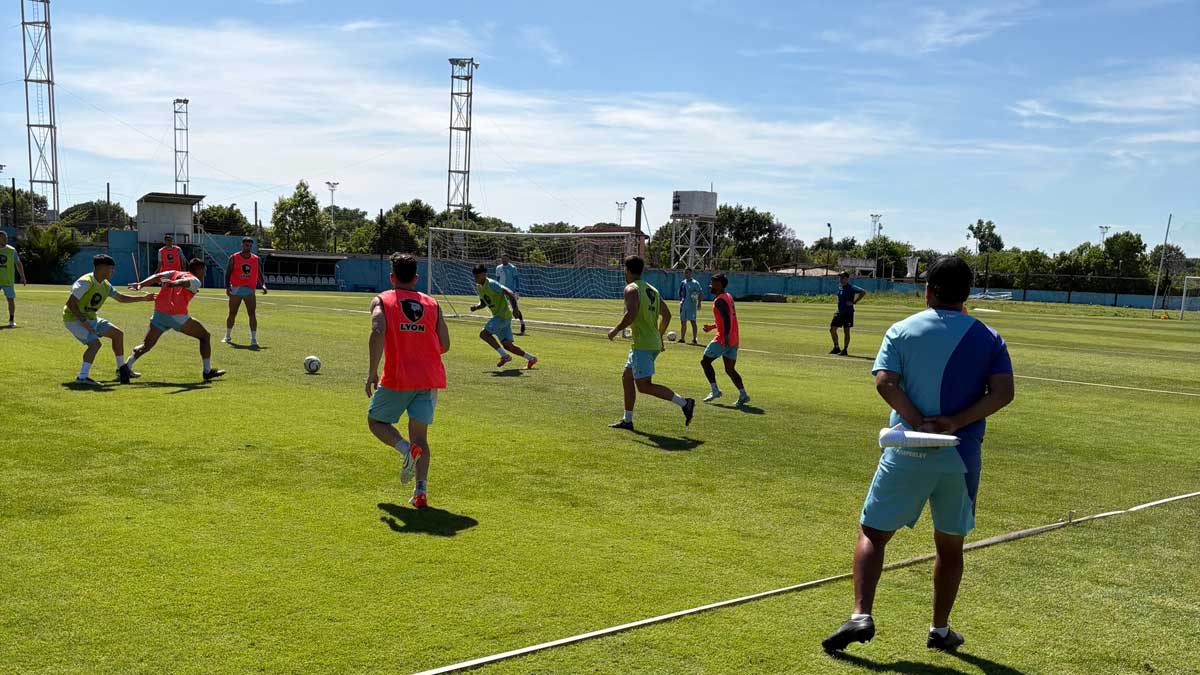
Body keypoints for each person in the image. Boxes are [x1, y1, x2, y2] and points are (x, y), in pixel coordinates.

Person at [821, 256, 1014, 654]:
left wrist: (915, 422)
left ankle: (861, 614)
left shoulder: (902, 330)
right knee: (950, 546)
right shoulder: (989, 337)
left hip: (906, 449)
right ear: (968, 295)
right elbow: (1003, 393)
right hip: (959, 457)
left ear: (927, 291)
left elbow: (884, 382)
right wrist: (955, 421)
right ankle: (940, 630)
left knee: (873, 533)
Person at [366, 253, 450, 509]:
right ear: (416, 277)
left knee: (376, 421)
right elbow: (445, 344)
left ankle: (404, 450)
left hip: (398, 377)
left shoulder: (383, 299)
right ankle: (420, 491)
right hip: (428, 378)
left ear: (392, 276)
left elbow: (378, 329)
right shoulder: (433, 304)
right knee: (421, 438)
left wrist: (372, 371)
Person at [607, 256, 695, 430]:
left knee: (644, 386)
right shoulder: (652, 290)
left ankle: (685, 403)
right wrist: (659, 336)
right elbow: (667, 315)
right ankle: (627, 420)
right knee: (627, 378)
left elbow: (631, 314)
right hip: (649, 343)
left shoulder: (631, 289)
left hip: (643, 345)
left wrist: (615, 329)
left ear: (627, 270)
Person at [61, 254, 156, 385]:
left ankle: (121, 369)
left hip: (91, 318)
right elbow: (71, 305)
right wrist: (85, 323)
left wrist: (143, 298)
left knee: (117, 334)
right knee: (95, 344)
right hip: (73, 319)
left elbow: (121, 298)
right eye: (111, 268)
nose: (113, 271)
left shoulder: (106, 285)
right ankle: (82, 377)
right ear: (102, 268)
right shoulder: (85, 282)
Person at [128, 258, 226, 382]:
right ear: (199, 269)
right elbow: (187, 282)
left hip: (159, 314)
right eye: (204, 271)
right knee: (205, 336)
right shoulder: (195, 280)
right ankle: (207, 371)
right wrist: (176, 284)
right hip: (177, 316)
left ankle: (126, 366)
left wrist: (141, 284)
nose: (205, 274)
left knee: (146, 345)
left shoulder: (174, 273)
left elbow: (157, 276)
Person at [470, 264, 537, 370]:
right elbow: (483, 302)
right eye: (474, 276)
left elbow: (510, 293)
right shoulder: (479, 287)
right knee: (507, 345)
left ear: (483, 275)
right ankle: (531, 358)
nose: (475, 279)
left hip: (502, 316)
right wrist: (476, 307)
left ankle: (504, 356)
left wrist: (515, 309)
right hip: (501, 317)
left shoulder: (492, 284)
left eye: (476, 276)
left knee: (484, 334)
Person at [700, 273, 749, 406]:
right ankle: (743, 394)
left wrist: (725, 335)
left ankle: (715, 390)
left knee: (705, 362)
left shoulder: (719, 300)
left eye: (713, 283)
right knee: (730, 369)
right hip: (734, 339)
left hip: (723, 338)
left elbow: (727, 319)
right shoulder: (728, 297)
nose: (710, 285)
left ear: (720, 285)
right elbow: (726, 318)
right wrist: (712, 326)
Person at [223, 236, 267, 348]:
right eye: (246, 245)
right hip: (236, 289)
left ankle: (253, 339)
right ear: (242, 245)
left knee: (252, 314)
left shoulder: (255, 259)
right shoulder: (234, 257)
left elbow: (259, 273)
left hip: (249, 290)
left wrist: (263, 285)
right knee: (232, 313)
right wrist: (227, 287)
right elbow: (228, 273)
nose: (248, 247)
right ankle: (227, 336)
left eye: (250, 245)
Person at [830, 272, 867, 356]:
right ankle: (836, 347)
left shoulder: (851, 287)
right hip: (839, 312)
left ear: (847, 278)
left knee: (846, 331)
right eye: (840, 277)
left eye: (842, 278)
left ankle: (845, 349)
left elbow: (863, 292)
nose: (841, 279)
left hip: (848, 313)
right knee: (832, 329)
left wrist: (854, 302)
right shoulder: (840, 288)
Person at [0, 230, 28, 328]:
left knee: (10, 300)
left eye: (6, 238)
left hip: (7, 280)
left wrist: (22, 276)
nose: (5, 239)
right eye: (3, 238)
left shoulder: (12, 250)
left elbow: (18, 264)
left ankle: (11, 320)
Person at [495, 254, 526, 335]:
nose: (504, 260)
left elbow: (516, 280)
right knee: (500, 309)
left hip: (511, 292)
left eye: (505, 258)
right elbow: (497, 280)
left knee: (515, 308)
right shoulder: (498, 268)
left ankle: (522, 323)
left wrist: (517, 291)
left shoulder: (512, 268)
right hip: (501, 292)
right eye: (502, 259)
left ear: (508, 259)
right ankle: (501, 327)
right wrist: (496, 289)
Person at [677, 268, 704, 344]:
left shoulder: (695, 283)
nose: (686, 274)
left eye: (687, 273)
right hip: (683, 305)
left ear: (691, 273)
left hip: (691, 305)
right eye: (685, 273)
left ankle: (694, 339)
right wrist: (680, 300)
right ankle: (682, 338)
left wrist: (699, 303)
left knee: (693, 322)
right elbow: (680, 291)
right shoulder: (683, 282)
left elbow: (700, 292)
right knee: (683, 322)